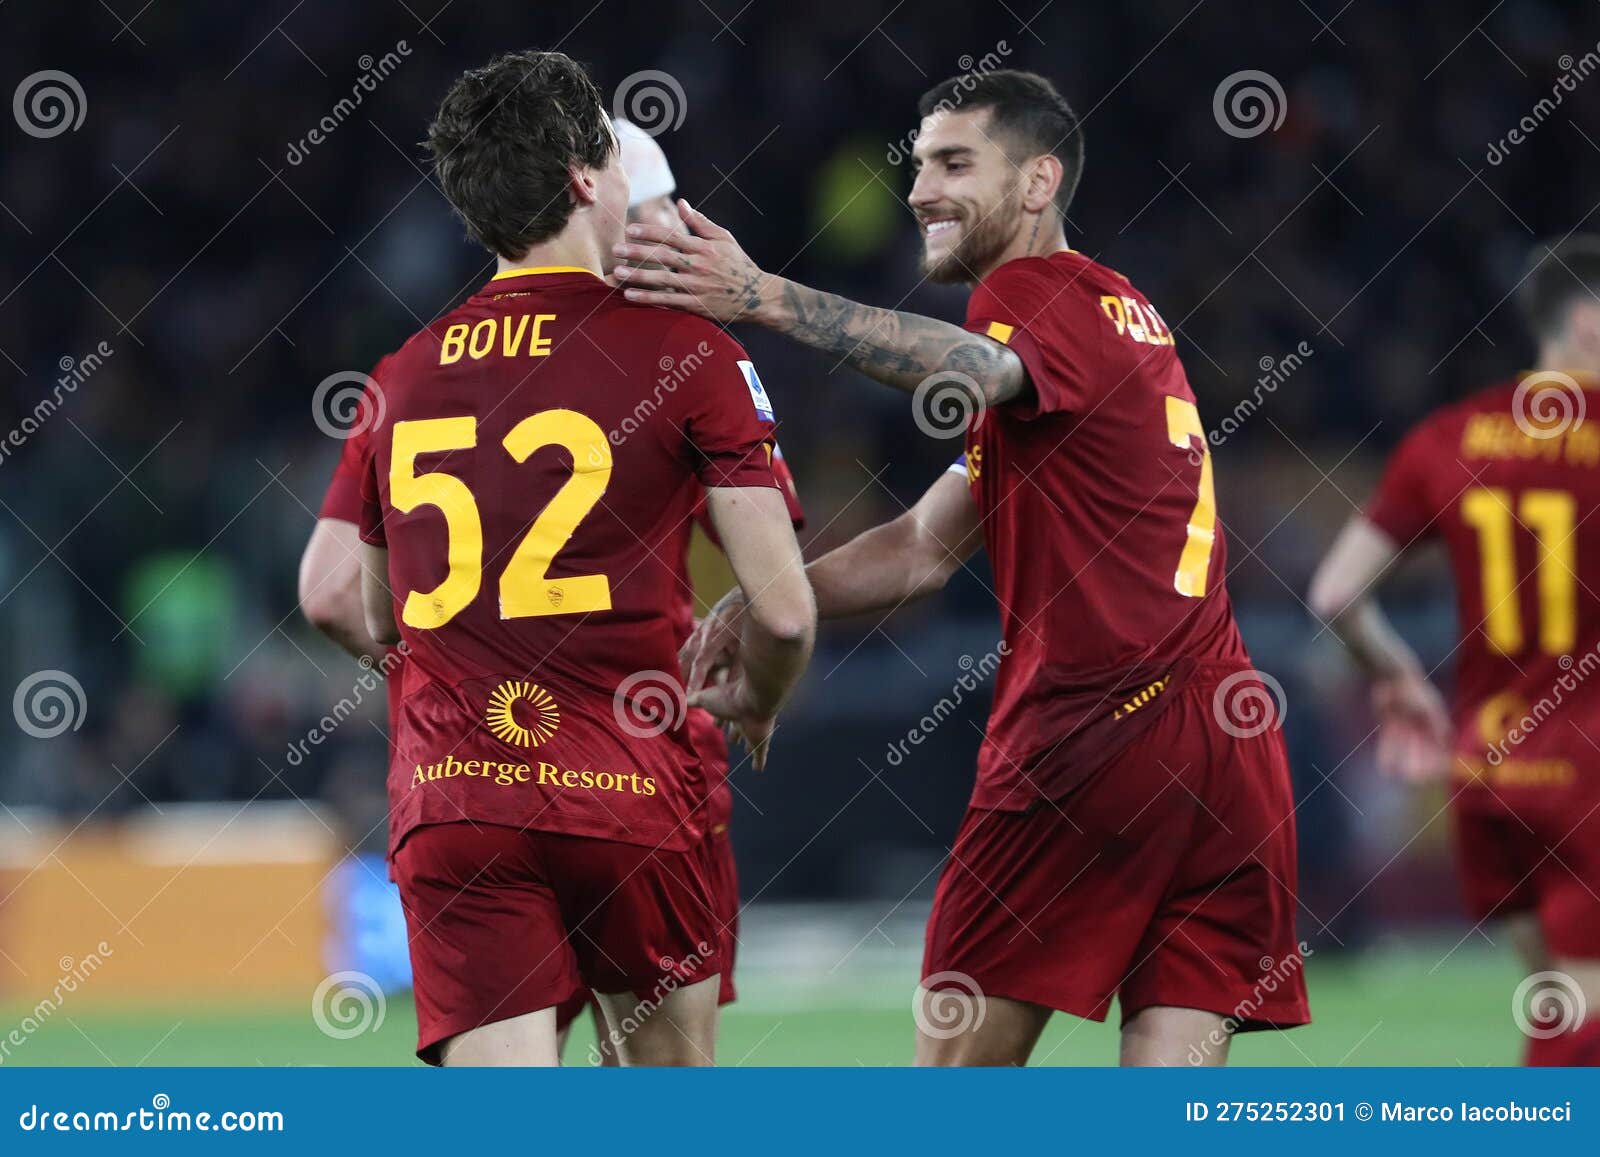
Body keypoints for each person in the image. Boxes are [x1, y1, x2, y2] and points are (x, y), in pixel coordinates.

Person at [620, 69, 1307, 1065]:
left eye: (952, 163)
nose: (919, 190)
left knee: (950, 1084)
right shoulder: (1118, 318)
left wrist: (760, 295)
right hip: (1223, 742)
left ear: (1038, 182)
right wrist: (769, 599)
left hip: (1091, 729)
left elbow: (974, 368)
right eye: (917, 165)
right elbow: (921, 549)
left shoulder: (1032, 294)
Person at [356, 49, 814, 1066]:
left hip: (456, 790)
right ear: (582, 179)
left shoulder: (401, 373)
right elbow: (782, 609)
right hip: (627, 787)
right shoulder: (689, 355)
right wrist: (760, 692)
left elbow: (374, 612)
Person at [552, 118, 808, 1063]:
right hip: (638, 749)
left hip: (477, 752)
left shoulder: (443, 354)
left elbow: (344, 591)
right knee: (661, 1068)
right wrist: (761, 668)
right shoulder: (687, 356)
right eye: (665, 217)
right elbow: (771, 573)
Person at [1309, 236, 1600, 1066]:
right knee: (1582, 1024)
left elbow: (1335, 594)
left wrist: (1398, 677)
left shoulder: (1449, 438)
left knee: (1553, 1001)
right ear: (1584, 321)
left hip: (1490, 767)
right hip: (1589, 768)